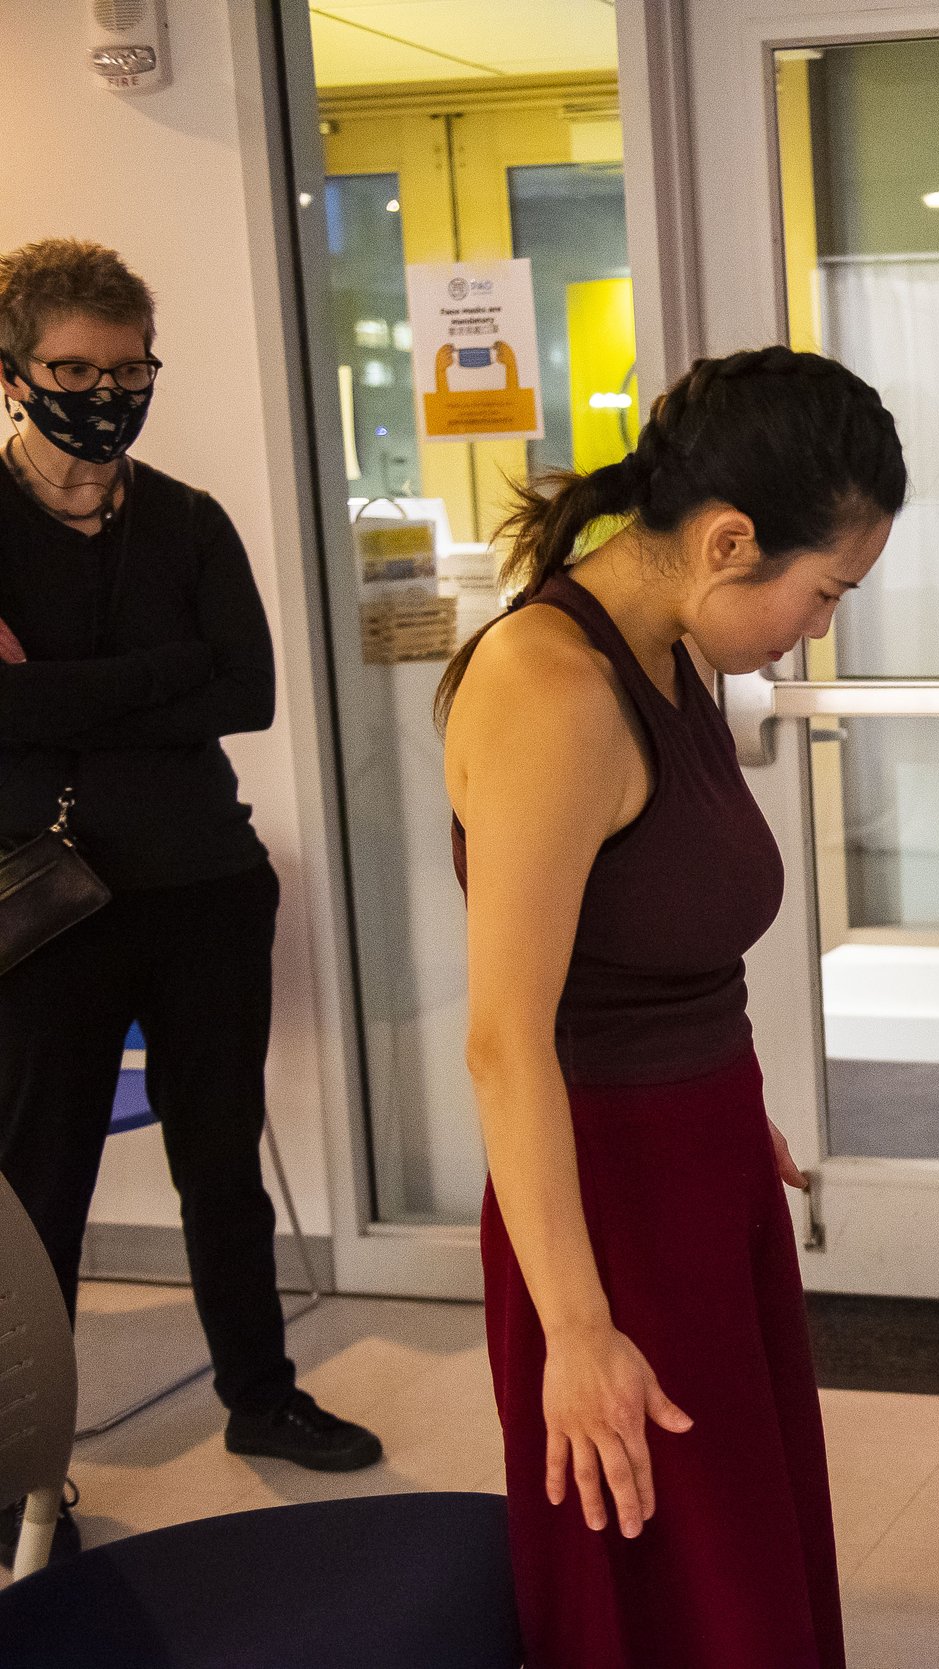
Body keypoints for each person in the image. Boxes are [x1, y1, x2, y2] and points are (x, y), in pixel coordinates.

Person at [441, 346, 903, 1669]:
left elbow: (669, 948)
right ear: (727, 540)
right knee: (670, 1582)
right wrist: (580, 1333)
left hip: (701, 1173)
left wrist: (731, 1115)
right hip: (602, 1210)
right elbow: (503, 1040)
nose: (818, 628)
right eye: (824, 593)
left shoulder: (676, 653)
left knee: (745, 1561)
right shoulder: (553, 689)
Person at [0, 237, 384, 1553]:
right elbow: (186, 683)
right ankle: (19, 1468)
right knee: (36, 1184)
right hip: (44, 906)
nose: (105, 393)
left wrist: (52, 692)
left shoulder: (188, 516)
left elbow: (252, 694)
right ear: (14, 373)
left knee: (220, 1162)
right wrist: (160, 673)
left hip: (209, 888)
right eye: (75, 368)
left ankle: (262, 1398)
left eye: (129, 368)